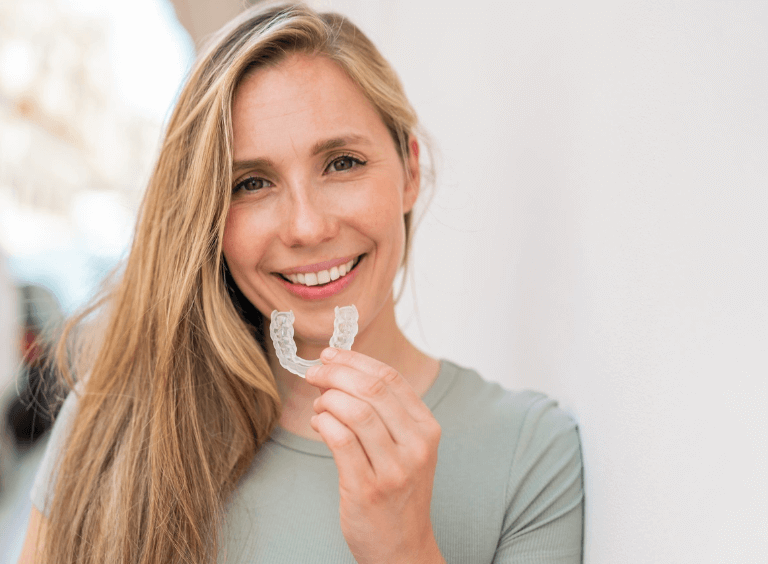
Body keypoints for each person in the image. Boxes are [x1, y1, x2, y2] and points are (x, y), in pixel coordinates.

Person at [18, 3, 584, 563]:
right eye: (253, 183)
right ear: (209, 218)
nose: (308, 227)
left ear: (409, 172)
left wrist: (406, 551)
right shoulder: (113, 424)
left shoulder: (530, 456)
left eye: (342, 163)